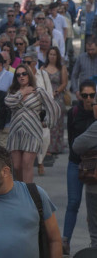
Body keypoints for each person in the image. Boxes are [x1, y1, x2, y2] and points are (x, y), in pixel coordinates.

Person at [5, 64, 59, 183]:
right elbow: (8, 102)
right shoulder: (13, 91)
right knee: (17, 166)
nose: (21, 77)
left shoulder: (38, 91)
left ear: (29, 75)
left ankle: (28, 194)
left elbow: (53, 107)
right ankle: (20, 190)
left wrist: (47, 123)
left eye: (24, 74)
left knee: (27, 164)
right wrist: (23, 92)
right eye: (18, 75)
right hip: (15, 133)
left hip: (32, 132)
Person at [63, 80, 97, 255]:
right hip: (76, 163)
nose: (89, 99)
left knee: (93, 206)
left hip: (94, 166)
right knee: (73, 202)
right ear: (80, 96)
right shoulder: (74, 112)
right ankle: (65, 240)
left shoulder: (96, 114)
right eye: (85, 95)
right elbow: (73, 143)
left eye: (92, 95)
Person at [43, 46, 68, 157]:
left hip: (57, 98)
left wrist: (55, 92)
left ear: (57, 56)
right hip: (46, 98)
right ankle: (46, 147)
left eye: (54, 54)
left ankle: (57, 146)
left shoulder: (62, 68)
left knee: (58, 124)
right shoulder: (43, 68)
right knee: (48, 124)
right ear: (47, 56)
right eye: (50, 54)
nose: (52, 56)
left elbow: (64, 83)